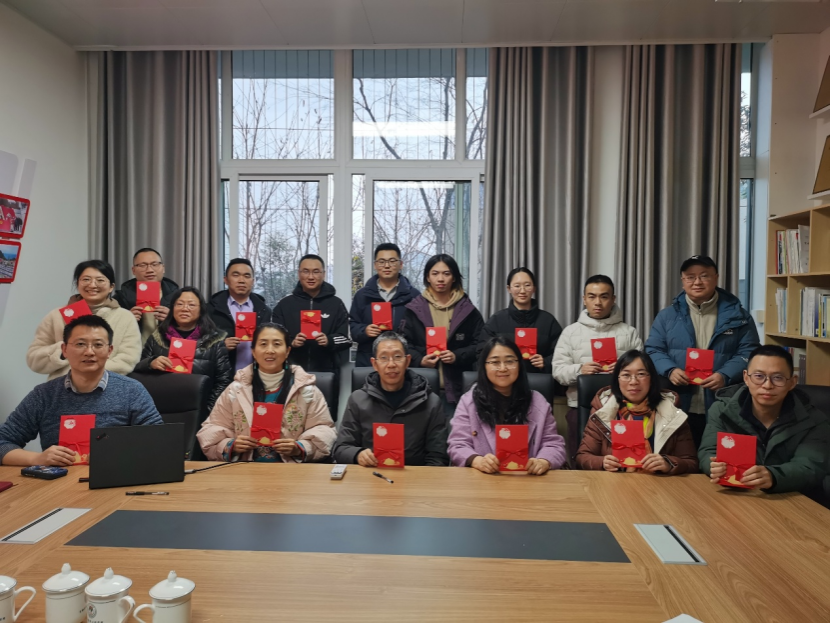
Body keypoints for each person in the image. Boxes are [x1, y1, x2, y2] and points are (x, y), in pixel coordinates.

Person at [1, 315, 163, 466]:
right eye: (80, 344)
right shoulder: (43, 395)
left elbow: (158, 440)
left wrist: (117, 453)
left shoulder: (131, 390)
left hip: (114, 477)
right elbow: (3, 442)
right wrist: (37, 459)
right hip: (57, 482)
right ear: (64, 349)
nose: (89, 352)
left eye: (98, 345)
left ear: (109, 351)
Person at [646, 255, 760, 448]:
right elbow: (653, 349)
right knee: (679, 458)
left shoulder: (739, 316)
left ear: (716, 277)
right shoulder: (666, 316)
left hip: (723, 402)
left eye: (704, 276)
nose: (697, 282)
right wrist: (670, 370)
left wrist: (725, 375)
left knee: (716, 459)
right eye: (690, 277)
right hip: (677, 402)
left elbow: (750, 351)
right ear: (683, 281)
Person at [699, 345, 830, 499]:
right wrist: (712, 466)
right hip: (738, 496)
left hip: (794, 499)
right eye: (759, 376)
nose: (767, 385)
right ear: (746, 378)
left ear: (792, 382)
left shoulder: (814, 420)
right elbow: (708, 451)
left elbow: (810, 466)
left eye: (778, 378)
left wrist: (773, 476)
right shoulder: (722, 410)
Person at [197, 323, 336, 462]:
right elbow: (212, 428)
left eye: (277, 344)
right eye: (263, 344)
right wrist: (231, 445)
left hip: (291, 469)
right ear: (253, 351)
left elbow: (324, 429)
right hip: (244, 467)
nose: (270, 350)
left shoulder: (306, 390)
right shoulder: (236, 390)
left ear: (287, 351)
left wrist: (300, 447)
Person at [552, 275, 643, 456]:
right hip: (580, 408)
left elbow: (643, 373)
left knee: (622, 461)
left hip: (623, 409)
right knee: (581, 461)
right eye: (592, 297)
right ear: (584, 299)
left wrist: (623, 371)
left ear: (613, 299)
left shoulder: (629, 332)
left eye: (604, 296)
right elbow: (558, 371)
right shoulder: (570, 332)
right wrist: (580, 370)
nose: (598, 302)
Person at [449, 337, 566, 474]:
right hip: (482, 478)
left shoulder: (537, 401)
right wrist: (477, 460)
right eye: (495, 362)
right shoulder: (469, 401)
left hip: (527, 478)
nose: (503, 368)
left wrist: (543, 461)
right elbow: (457, 444)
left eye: (510, 361)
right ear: (484, 366)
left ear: (519, 365)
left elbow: (553, 444)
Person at [332, 332, 448, 466]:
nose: (391, 364)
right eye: (384, 358)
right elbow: (341, 448)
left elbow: (438, 456)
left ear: (407, 361)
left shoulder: (430, 401)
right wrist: (357, 454)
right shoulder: (358, 399)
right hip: (370, 473)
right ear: (374, 364)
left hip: (414, 474)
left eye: (397, 357)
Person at [575, 350, 698, 474]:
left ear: (651, 379)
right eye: (626, 375)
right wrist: (602, 462)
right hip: (614, 481)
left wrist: (669, 463)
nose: (633, 381)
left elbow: (691, 463)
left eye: (641, 374)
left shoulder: (671, 411)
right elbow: (582, 457)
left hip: (658, 482)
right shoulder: (604, 410)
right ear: (617, 380)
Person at [27, 260, 142, 379]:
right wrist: (64, 350)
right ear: (77, 284)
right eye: (86, 279)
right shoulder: (56, 316)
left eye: (100, 280)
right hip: (61, 385)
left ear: (111, 287)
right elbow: (33, 359)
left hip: (108, 385)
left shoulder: (125, 317)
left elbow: (128, 360)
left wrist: (86, 373)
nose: (92, 285)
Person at [401, 254, 484, 416]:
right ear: (427, 277)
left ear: (454, 277)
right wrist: (420, 360)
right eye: (435, 273)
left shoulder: (468, 310)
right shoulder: (414, 309)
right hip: (420, 388)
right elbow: (403, 344)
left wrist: (456, 356)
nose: (440, 279)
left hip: (459, 390)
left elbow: (481, 345)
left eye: (446, 274)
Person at [134, 287, 232, 411]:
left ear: (201, 309)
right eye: (179, 304)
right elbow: (138, 371)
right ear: (172, 308)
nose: (185, 308)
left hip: (200, 409)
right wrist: (150, 363)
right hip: (161, 408)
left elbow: (223, 380)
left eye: (191, 305)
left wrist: (206, 410)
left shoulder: (215, 341)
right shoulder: (157, 337)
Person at [271, 254, 351, 374]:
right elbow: (274, 339)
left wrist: (329, 340)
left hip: (327, 372)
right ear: (299, 274)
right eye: (306, 271)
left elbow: (346, 339)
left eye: (316, 272)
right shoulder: (284, 305)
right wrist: (291, 342)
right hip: (291, 371)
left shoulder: (336, 304)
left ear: (323, 274)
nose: (311, 277)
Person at [479, 267, 562, 374]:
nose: (522, 291)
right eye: (517, 286)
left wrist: (546, 362)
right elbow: (481, 352)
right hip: (504, 377)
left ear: (534, 288)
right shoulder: (497, 320)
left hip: (538, 378)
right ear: (509, 289)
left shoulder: (548, 321)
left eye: (527, 285)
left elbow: (562, 353)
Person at [350, 243, 420, 367]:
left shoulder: (414, 296)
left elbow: (419, 332)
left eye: (392, 261)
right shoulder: (362, 295)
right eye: (382, 262)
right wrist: (364, 331)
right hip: (368, 360)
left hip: (401, 362)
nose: (387, 266)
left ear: (401, 264)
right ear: (375, 265)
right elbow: (353, 326)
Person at [207, 258, 271, 372]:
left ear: (253, 281)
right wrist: (220, 347)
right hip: (221, 375)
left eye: (247, 276)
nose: (241, 280)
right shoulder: (211, 309)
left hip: (256, 375)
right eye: (236, 275)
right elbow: (199, 346)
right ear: (226, 280)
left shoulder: (264, 311)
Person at [114, 248, 180, 343]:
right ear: (133, 270)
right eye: (142, 265)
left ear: (163, 268)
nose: (149, 270)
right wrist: (126, 320)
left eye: (154, 264)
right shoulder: (120, 298)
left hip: (167, 349)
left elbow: (195, 329)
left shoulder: (178, 296)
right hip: (134, 349)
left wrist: (174, 320)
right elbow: (107, 331)